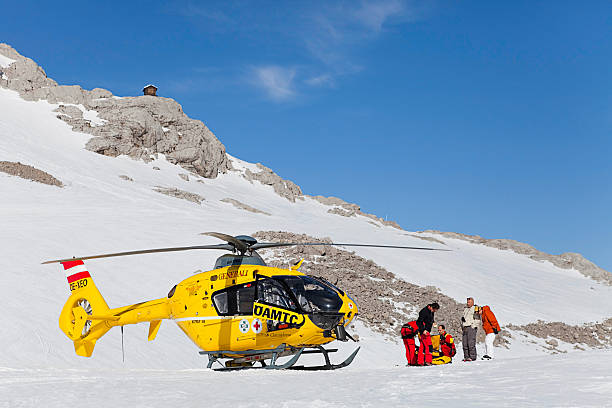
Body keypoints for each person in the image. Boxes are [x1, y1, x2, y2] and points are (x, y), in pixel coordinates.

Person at [461, 297, 480, 361]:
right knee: (464, 343)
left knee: (471, 343)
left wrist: (473, 326)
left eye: (469, 302)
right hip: (465, 327)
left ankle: (472, 357)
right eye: (467, 302)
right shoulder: (465, 309)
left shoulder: (475, 308)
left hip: (471, 327)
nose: (468, 303)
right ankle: (466, 357)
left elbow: (477, 318)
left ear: (472, 302)